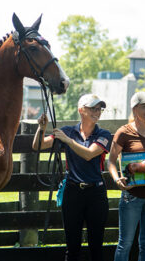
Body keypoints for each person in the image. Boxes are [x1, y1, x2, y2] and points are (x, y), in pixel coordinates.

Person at [32, 93, 113, 261]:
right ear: (81, 110)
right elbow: (38, 145)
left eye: (99, 109)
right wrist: (41, 128)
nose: (97, 112)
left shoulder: (104, 134)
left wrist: (68, 141)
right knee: (72, 246)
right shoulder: (67, 131)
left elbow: (89, 154)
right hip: (72, 192)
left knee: (96, 246)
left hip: (96, 194)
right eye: (92, 108)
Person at [108, 91, 145, 261]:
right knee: (125, 243)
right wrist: (117, 179)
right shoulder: (123, 132)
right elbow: (110, 161)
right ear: (134, 109)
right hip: (131, 196)